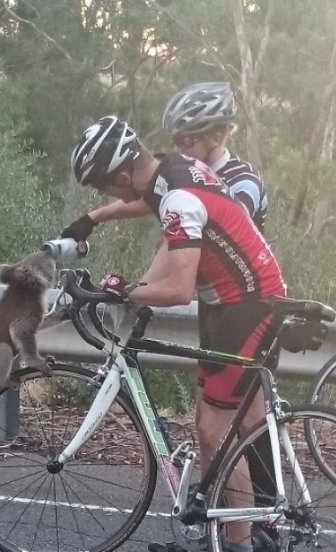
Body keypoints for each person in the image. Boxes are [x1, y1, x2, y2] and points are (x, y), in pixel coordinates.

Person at [69, 115, 285, 552]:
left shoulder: (179, 198)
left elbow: (179, 288)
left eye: (104, 186)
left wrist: (126, 290)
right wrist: (95, 218)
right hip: (237, 300)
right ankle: (248, 530)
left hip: (247, 306)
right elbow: (148, 204)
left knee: (211, 429)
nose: (106, 194)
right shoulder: (172, 170)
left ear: (123, 175)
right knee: (240, 422)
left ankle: (238, 543)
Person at [60, 81, 268, 243]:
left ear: (216, 136)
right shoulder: (189, 171)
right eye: (175, 141)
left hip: (249, 296)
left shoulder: (243, 182)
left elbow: (228, 232)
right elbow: (151, 198)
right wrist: (92, 219)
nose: (178, 150)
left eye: (186, 141)